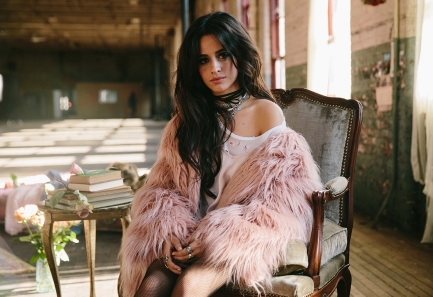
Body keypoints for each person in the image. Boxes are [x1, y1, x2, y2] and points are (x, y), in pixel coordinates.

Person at [119, 11, 322, 297]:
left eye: (222, 54)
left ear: (238, 54)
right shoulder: (186, 121)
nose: (215, 67)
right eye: (203, 60)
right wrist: (168, 232)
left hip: (234, 237)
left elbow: (279, 204)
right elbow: (164, 189)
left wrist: (216, 236)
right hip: (189, 233)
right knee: (152, 284)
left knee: (188, 288)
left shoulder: (265, 113)